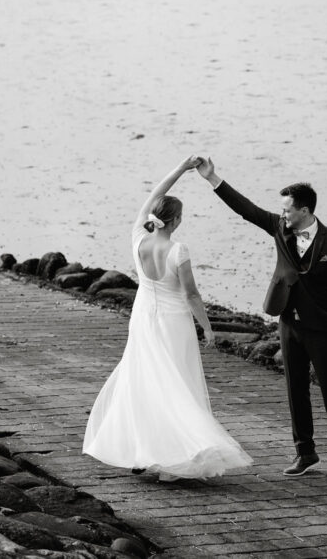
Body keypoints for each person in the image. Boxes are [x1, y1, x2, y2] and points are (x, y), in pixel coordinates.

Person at [195, 157, 327, 486]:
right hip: (288, 323)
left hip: (320, 328)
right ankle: (305, 453)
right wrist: (212, 177)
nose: (283, 214)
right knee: (295, 390)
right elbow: (246, 209)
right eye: (282, 210)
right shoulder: (279, 228)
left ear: (304, 210)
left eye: (288, 209)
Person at [82, 156, 253, 480]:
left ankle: (144, 451)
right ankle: (181, 453)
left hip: (144, 318)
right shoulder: (178, 251)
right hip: (174, 323)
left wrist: (180, 168)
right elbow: (191, 295)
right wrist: (208, 329)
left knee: (145, 382)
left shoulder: (138, 239)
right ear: (174, 221)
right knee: (179, 386)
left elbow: (154, 195)